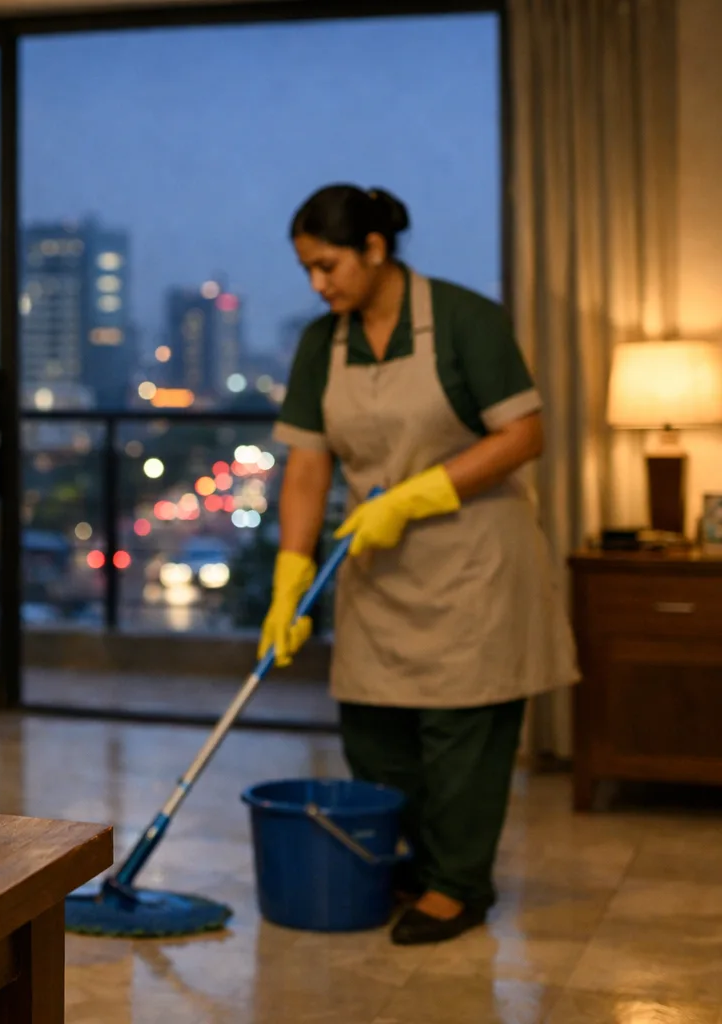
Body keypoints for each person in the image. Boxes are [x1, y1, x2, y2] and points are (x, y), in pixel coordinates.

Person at [262, 185, 578, 946]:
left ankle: (458, 886)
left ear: (376, 248)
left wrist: (418, 494)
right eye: (306, 269)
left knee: (462, 738)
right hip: (376, 563)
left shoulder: (465, 320)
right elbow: (308, 466)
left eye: (328, 265)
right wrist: (290, 576)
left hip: (473, 559)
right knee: (375, 733)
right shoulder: (321, 343)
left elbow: (523, 434)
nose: (318, 284)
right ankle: (412, 861)